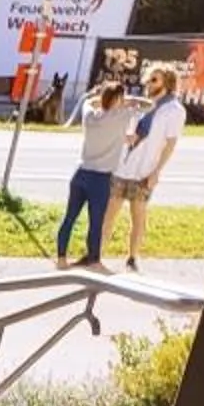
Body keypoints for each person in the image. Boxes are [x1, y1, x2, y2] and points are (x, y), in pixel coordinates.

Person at [113, 63, 187, 271]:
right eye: (148, 78)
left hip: (145, 171)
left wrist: (156, 172)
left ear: (167, 83)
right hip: (123, 167)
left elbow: (170, 144)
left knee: (138, 215)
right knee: (109, 212)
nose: (149, 82)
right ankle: (95, 255)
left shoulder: (174, 110)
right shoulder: (139, 104)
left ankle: (132, 258)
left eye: (154, 79)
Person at [55, 80, 134, 271]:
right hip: (101, 178)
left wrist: (98, 98)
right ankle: (94, 260)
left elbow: (87, 102)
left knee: (69, 218)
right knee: (96, 221)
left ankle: (61, 259)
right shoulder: (122, 116)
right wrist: (127, 101)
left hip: (81, 173)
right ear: (118, 99)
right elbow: (147, 105)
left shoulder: (90, 117)